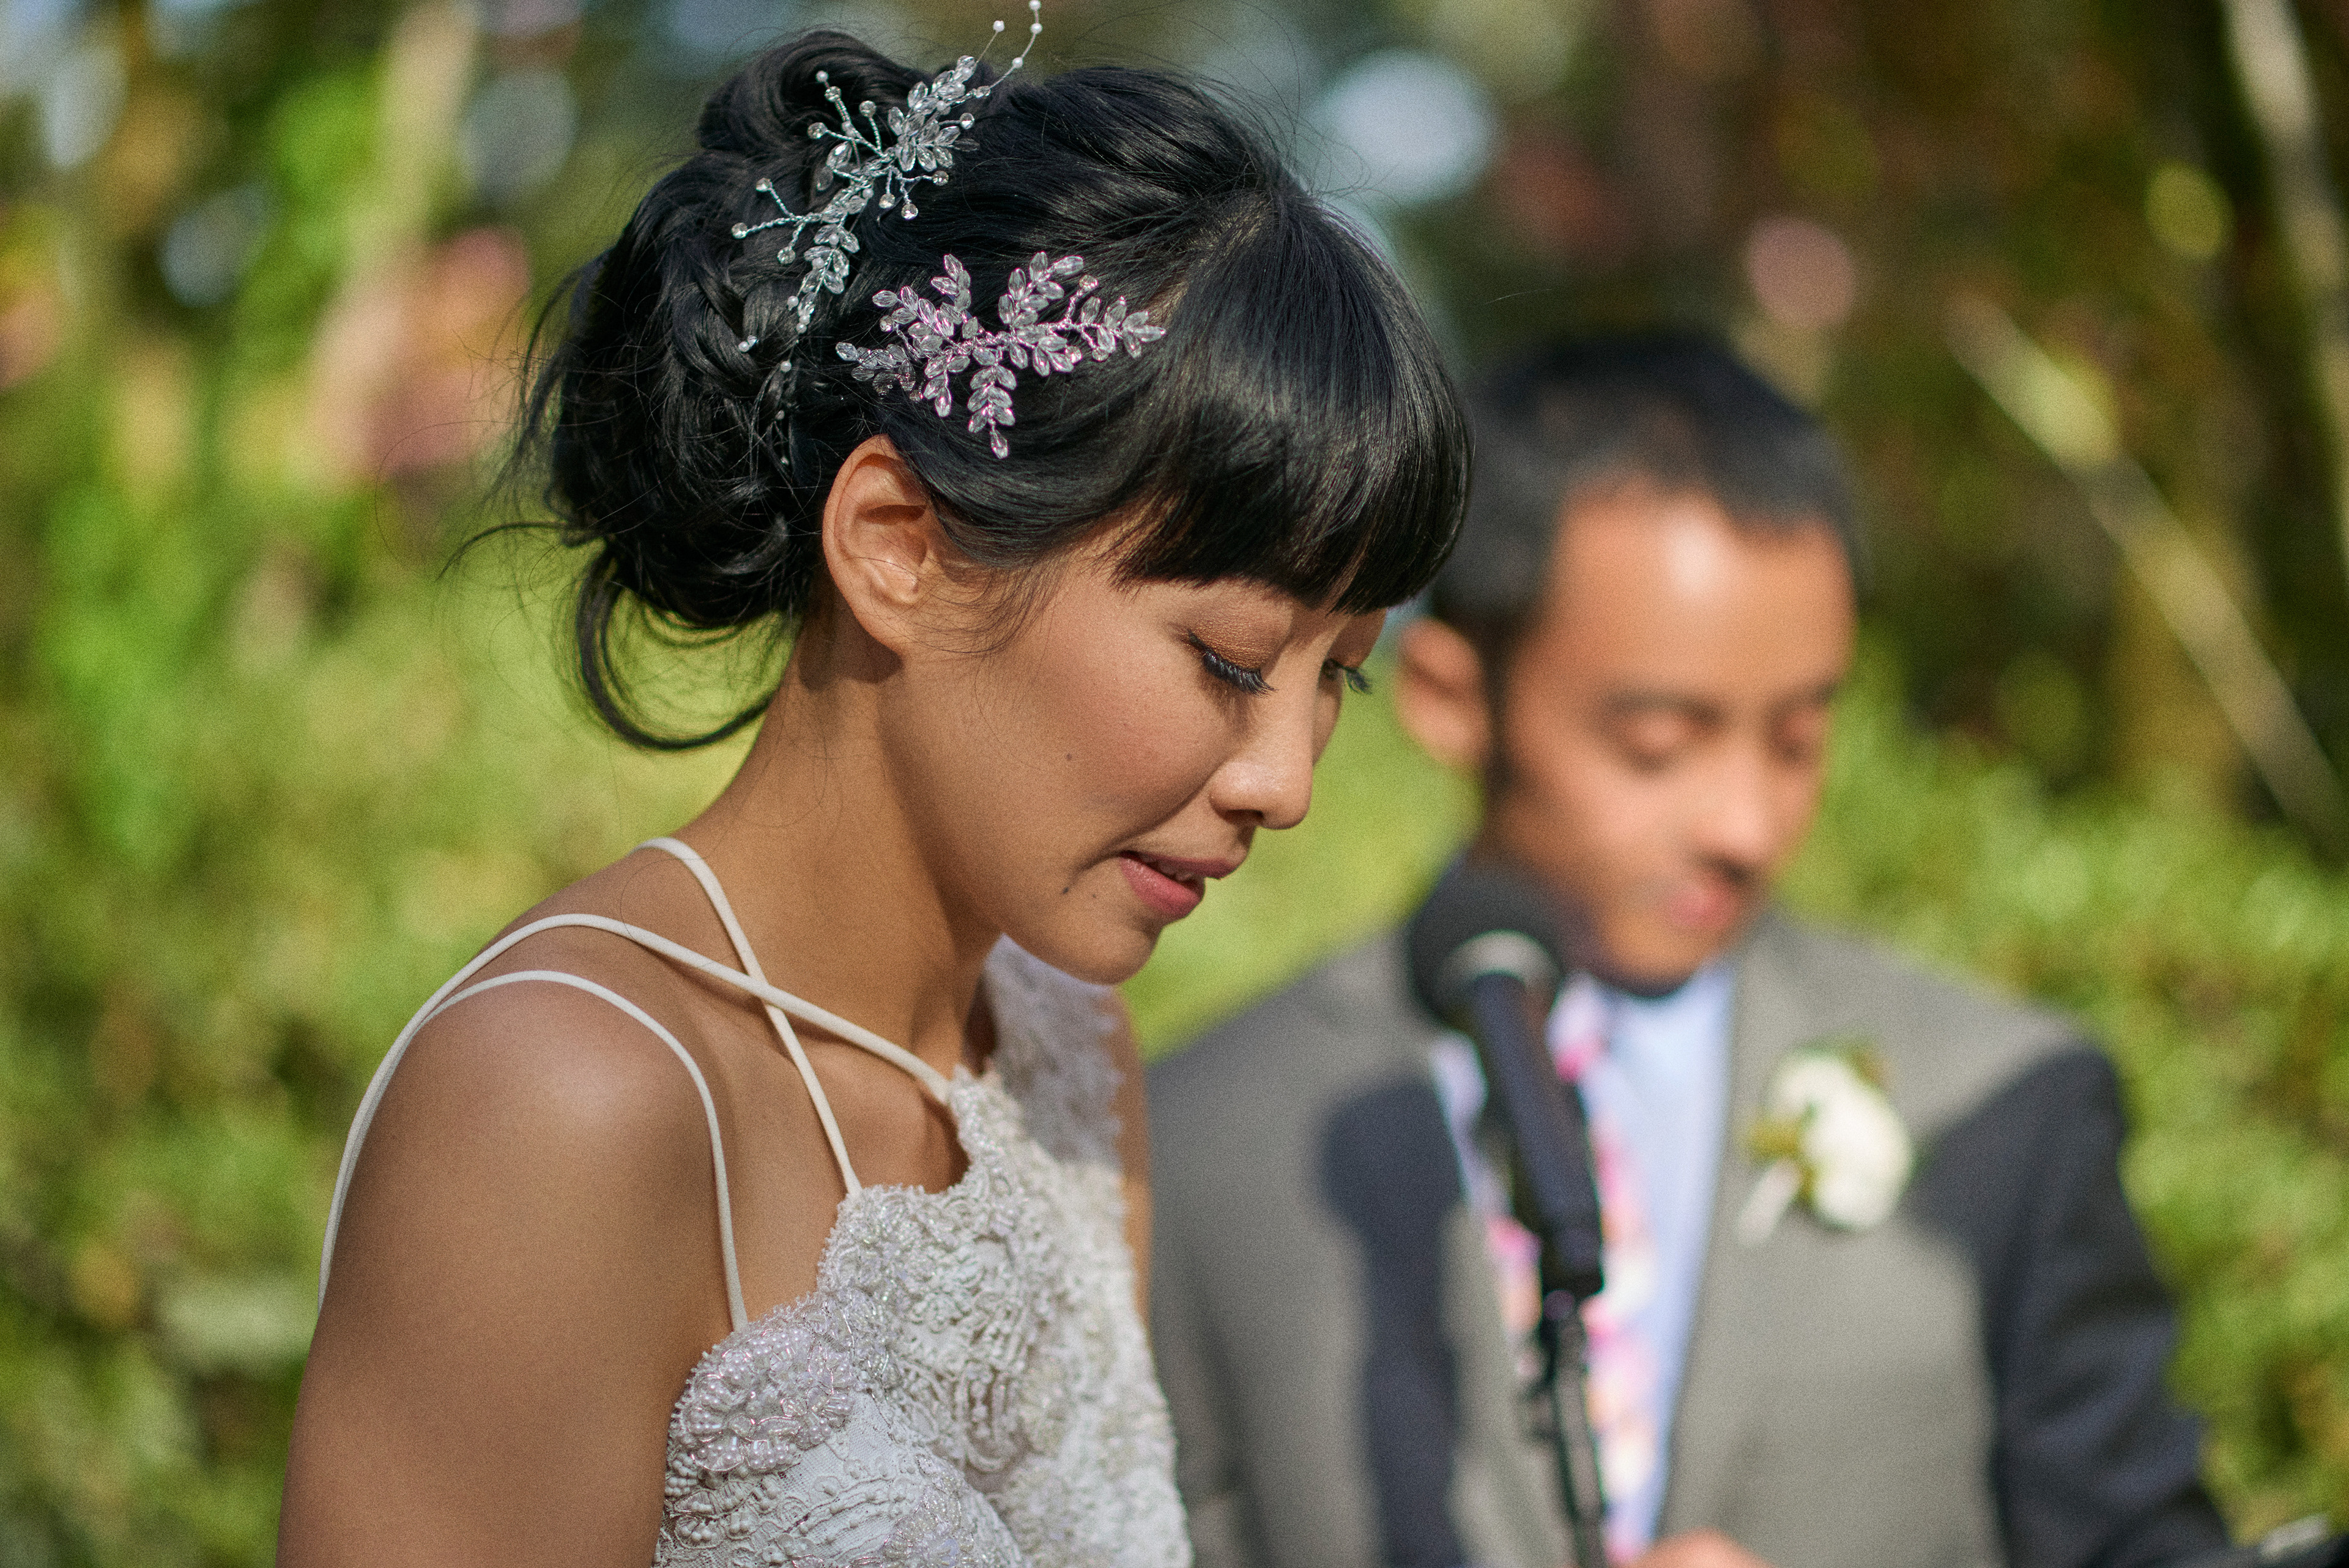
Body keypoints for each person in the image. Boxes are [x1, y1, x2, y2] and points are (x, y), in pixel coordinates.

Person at [275, 16, 1467, 1565]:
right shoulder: (567, 1098)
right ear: (899, 543)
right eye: (1232, 660)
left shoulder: (1067, 1063)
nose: (1287, 781)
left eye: (1338, 678)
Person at [1146, 336, 2229, 1568]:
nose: (1746, 825)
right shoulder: (1201, 1143)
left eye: (1799, 738)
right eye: (1659, 743)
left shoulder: (2001, 1107)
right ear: (1451, 697)